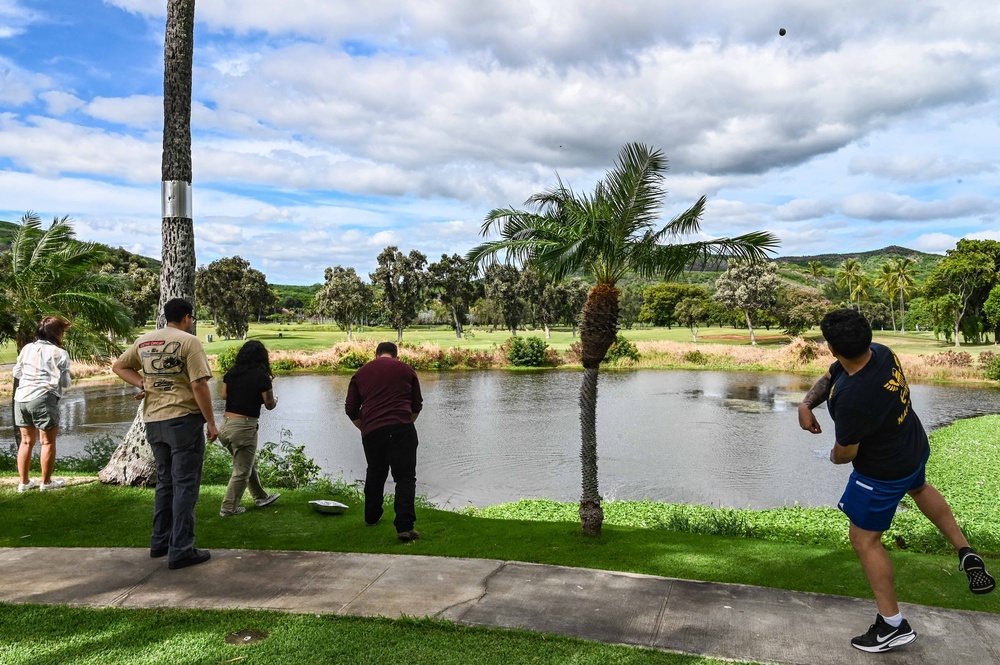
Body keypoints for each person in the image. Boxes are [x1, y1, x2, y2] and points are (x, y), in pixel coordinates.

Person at [798, 308, 995, 653]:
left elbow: (846, 452)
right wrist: (806, 403)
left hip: (882, 470)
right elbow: (832, 373)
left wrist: (832, 454)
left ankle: (893, 626)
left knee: (864, 540)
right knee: (919, 487)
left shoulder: (854, 398)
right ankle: (964, 549)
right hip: (911, 445)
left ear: (831, 346)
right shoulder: (882, 353)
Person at [112, 298, 217, 570]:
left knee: (166, 483)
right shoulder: (189, 342)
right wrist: (212, 423)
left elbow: (119, 366)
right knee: (185, 485)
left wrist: (143, 383)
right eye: (191, 318)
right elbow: (199, 385)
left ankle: (160, 542)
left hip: (153, 421)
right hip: (183, 420)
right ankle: (181, 549)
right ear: (186, 317)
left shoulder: (144, 341)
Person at [344, 341, 423, 541]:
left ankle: (371, 517)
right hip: (402, 428)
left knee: (375, 472)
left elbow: (350, 409)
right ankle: (405, 527)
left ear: (376, 354)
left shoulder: (361, 373)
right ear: (395, 355)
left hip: (373, 431)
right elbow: (416, 405)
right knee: (405, 477)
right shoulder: (407, 370)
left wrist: (365, 427)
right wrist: (405, 422)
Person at [217, 340, 281, 517]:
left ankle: (261, 497)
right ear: (263, 357)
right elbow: (269, 404)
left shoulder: (232, 373)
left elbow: (224, 396)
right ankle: (228, 508)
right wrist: (275, 400)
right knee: (242, 470)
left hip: (226, 425)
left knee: (249, 463)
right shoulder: (262, 376)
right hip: (244, 427)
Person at [13, 316, 73, 492]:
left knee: (26, 442)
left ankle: (23, 484)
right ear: (57, 333)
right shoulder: (60, 353)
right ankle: (46, 483)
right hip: (43, 398)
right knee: (47, 443)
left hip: (21, 398)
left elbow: (17, 372)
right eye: (62, 332)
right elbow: (65, 383)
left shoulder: (27, 348)